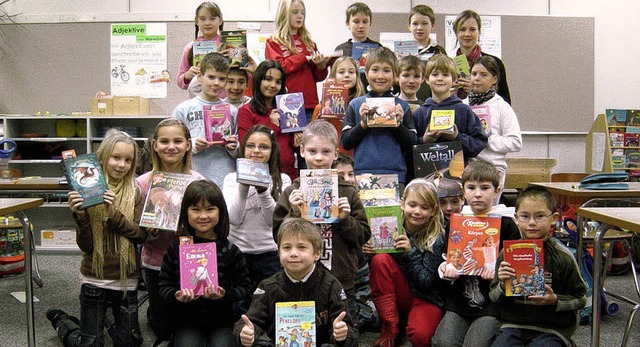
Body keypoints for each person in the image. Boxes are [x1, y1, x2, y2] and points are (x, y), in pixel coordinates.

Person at [47, 129, 144, 347]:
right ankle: (63, 322)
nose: (122, 165)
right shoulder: (87, 189)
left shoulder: (136, 191)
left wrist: (114, 215)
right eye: (116, 157)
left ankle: (109, 318)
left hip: (126, 279)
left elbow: (140, 235)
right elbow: (86, 246)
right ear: (102, 157)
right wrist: (81, 217)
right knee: (89, 343)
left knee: (130, 343)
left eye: (128, 160)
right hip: (95, 277)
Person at [273, 120, 371, 331]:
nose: (318, 158)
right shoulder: (292, 192)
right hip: (300, 276)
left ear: (335, 154)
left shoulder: (347, 191)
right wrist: (295, 214)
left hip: (341, 276)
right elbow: (278, 235)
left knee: (343, 330)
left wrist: (345, 219)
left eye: (325, 151)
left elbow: (362, 236)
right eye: (312, 151)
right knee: (303, 331)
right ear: (302, 151)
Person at [432, 159, 520, 347]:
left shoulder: (507, 225)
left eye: (485, 188)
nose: (478, 194)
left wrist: (497, 275)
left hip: (492, 304)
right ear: (463, 191)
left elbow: (516, 272)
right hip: (459, 301)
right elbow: (445, 259)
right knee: (443, 343)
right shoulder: (455, 223)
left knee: (476, 344)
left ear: (497, 191)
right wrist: (446, 270)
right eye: (471, 188)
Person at [233, 218, 357, 346]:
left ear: (317, 253)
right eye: (286, 247)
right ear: (278, 252)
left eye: (302, 247)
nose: (293, 253)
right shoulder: (268, 287)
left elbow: (349, 330)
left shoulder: (330, 285)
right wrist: (245, 333)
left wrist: (342, 335)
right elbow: (250, 322)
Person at [158, 179, 253, 346]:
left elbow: (245, 287)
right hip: (186, 320)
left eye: (210, 209)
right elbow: (163, 285)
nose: (203, 216)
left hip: (222, 320)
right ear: (186, 212)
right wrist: (177, 296)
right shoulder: (177, 248)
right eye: (195, 209)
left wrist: (225, 294)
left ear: (221, 212)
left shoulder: (230, 250)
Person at [490, 186, 587, 346]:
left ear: (554, 218)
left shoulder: (563, 256)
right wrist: (501, 284)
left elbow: (581, 298)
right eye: (525, 216)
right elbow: (493, 297)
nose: (532, 223)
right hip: (513, 325)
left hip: (552, 328)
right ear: (516, 218)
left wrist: (555, 300)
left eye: (540, 216)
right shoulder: (506, 254)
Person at [136, 118, 205, 342]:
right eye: (164, 141)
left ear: (188, 144)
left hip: (189, 261)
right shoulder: (143, 183)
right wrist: (148, 230)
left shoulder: (198, 182)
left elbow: (209, 223)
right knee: (163, 331)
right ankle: (153, 312)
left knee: (188, 327)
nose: (171, 146)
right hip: (155, 262)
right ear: (154, 145)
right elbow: (135, 224)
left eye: (177, 141)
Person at [363, 178, 445, 347]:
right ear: (402, 204)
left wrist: (410, 252)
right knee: (380, 259)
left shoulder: (436, 237)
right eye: (412, 205)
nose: (417, 211)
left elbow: (425, 282)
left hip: (426, 298)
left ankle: (407, 323)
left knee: (420, 336)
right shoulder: (391, 225)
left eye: (424, 207)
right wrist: (369, 253)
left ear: (434, 210)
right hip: (397, 295)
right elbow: (381, 271)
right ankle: (390, 325)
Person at [223, 125, 292, 310]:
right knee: (239, 306)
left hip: (270, 254)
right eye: (250, 146)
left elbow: (274, 222)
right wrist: (244, 185)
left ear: (272, 151)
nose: (256, 151)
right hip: (238, 253)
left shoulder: (283, 180)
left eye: (263, 147)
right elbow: (234, 218)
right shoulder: (230, 179)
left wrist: (263, 190)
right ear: (243, 149)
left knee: (270, 305)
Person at [341, 46, 418, 186]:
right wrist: (363, 125)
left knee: (394, 209)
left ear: (395, 76)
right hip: (362, 173)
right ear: (366, 73)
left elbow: (413, 143)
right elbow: (345, 142)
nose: (380, 76)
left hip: (395, 174)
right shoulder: (356, 105)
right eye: (375, 70)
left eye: (386, 70)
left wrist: (398, 125)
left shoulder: (402, 107)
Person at [173, 52, 239, 188]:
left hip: (225, 179)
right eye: (211, 77)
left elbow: (240, 152)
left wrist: (234, 147)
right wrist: (193, 145)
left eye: (222, 79)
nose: (216, 83)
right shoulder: (183, 109)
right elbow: (173, 146)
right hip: (192, 178)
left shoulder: (232, 111)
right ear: (199, 77)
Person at [464, 56, 522, 203]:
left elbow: (515, 142)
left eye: (484, 75)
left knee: (489, 214)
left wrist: (487, 139)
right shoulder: (463, 105)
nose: (477, 78)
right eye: (474, 74)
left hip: (493, 170)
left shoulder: (502, 107)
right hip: (468, 169)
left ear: (494, 79)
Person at [413, 54, 487, 165]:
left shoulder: (464, 111)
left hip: (458, 177)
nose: (440, 78)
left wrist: (457, 137)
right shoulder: (419, 113)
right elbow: (410, 146)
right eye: (435, 74)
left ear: (454, 80)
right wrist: (424, 140)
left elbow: (479, 143)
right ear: (427, 79)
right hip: (426, 177)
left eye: (445, 75)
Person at [266, 0, 330, 123]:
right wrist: (302, 57)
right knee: (288, 140)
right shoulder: (274, 41)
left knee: (308, 140)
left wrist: (321, 66)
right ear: (284, 14)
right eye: (295, 12)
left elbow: (317, 77)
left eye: (302, 13)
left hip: (310, 103)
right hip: (286, 102)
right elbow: (279, 68)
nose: (300, 16)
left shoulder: (309, 43)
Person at [237, 60, 298, 180]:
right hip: (260, 176)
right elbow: (247, 147)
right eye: (268, 79)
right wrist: (273, 125)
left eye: (278, 82)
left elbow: (289, 145)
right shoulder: (246, 111)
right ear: (258, 79)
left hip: (287, 174)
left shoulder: (287, 108)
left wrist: (297, 141)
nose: (273, 85)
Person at [451, 10, 511, 103]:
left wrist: (477, 90)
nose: (467, 34)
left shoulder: (495, 62)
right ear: (456, 33)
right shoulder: (448, 65)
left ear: (479, 32)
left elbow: (505, 101)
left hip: (486, 115)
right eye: (462, 29)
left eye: (472, 29)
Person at [311, 56, 365, 155]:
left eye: (351, 72)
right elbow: (311, 137)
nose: (347, 75)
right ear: (333, 76)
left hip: (356, 156)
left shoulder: (363, 105)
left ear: (357, 76)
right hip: (331, 156)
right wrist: (320, 123)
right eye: (341, 72)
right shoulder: (321, 108)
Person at [176, 2, 224, 95]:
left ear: (220, 20)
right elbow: (180, 81)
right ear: (197, 21)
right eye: (203, 19)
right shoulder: (190, 47)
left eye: (212, 18)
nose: (207, 23)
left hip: (224, 104)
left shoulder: (226, 45)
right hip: (199, 103)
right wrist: (187, 75)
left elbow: (243, 76)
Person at [334, 2, 381, 89]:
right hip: (347, 95)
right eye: (356, 21)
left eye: (365, 22)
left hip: (371, 94)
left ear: (370, 24)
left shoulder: (378, 48)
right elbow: (335, 76)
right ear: (347, 24)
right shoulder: (340, 50)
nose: (361, 26)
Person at [407, 4, 447, 102]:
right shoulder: (402, 52)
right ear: (409, 26)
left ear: (432, 25)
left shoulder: (440, 51)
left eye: (424, 23)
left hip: (433, 102)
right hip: (408, 102)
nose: (419, 28)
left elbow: (446, 77)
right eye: (415, 24)